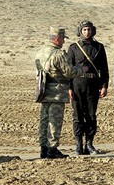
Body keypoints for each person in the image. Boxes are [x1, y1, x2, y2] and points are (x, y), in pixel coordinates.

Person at [35, 27, 85, 159]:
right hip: (57, 92)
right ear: (57, 39)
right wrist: (81, 69)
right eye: (63, 38)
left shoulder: (40, 52)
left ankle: (43, 148)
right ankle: (52, 149)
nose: (63, 41)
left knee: (44, 120)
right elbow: (69, 72)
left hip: (44, 91)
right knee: (55, 121)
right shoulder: (59, 54)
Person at [68, 21, 109, 155]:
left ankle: (89, 144)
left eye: (89, 30)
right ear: (80, 31)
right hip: (77, 84)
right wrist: (69, 87)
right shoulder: (73, 48)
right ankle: (78, 144)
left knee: (91, 115)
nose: (87, 32)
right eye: (84, 29)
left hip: (93, 84)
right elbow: (69, 70)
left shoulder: (99, 47)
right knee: (77, 115)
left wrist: (104, 86)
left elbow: (104, 68)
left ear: (93, 31)